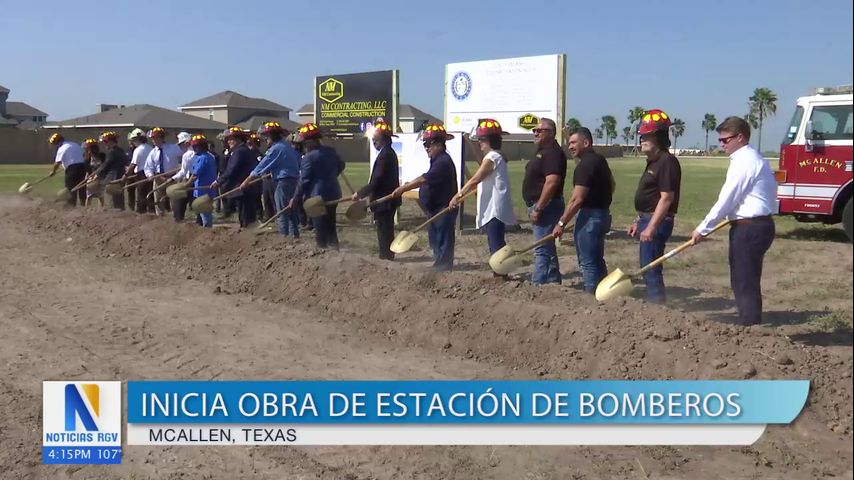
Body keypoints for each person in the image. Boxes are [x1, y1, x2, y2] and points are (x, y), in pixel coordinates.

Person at [691, 117, 777, 325]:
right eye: (720, 140)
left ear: (740, 137)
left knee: (744, 278)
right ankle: (747, 318)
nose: (722, 144)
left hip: (751, 227)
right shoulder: (746, 159)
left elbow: (727, 199)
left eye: (725, 140)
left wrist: (703, 229)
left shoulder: (746, 161)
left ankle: (749, 324)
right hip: (748, 226)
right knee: (741, 277)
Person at [628, 109, 682, 304]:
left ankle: (657, 305)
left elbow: (666, 198)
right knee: (648, 264)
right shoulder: (653, 161)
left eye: (647, 135)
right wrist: (639, 220)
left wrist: (650, 226)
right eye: (641, 136)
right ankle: (656, 303)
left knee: (650, 266)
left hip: (656, 221)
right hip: (647, 218)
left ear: (659, 137)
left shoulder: (666, 162)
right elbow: (651, 195)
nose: (642, 139)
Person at [552, 127, 614, 293]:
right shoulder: (600, 160)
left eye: (573, 142)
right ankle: (605, 293)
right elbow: (612, 184)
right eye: (569, 143)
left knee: (587, 262)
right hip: (602, 214)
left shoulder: (585, 165)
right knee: (597, 259)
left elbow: (576, 199)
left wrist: (561, 223)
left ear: (586, 142)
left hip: (590, 218)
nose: (570, 146)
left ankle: (591, 295)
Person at [392, 124, 458, 271]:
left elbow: (424, 179)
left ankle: (444, 265)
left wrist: (404, 188)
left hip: (443, 207)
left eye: (428, 144)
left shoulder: (443, 161)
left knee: (443, 237)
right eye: (424, 145)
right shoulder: (436, 160)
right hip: (434, 208)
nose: (426, 148)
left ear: (439, 144)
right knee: (435, 238)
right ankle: (438, 262)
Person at [452, 119, 517, 261]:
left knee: (495, 244)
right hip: (493, 207)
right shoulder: (495, 156)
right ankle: (502, 269)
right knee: (496, 241)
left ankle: (500, 272)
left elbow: (476, 178)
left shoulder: (493, 157)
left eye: (482, 139)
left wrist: (458, 195)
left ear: (491, 140)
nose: (479, 142)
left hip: (494, 209)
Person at [522, 118, 567, 284]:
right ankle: (553, 281)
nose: (535, 133)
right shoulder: (543, 151)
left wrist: (539, 208)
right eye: (534, 130)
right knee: (547, 246)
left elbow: (552, 181)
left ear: (550, 132)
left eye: (539, 130)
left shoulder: (553, 152)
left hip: (547, 206)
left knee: (541, 249)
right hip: (540, 205)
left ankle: (537, 285)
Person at [290, 123, 345, 249]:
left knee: (320, 229)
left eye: (304, 144)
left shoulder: (309, 157)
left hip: (317, 198)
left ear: (312, 142)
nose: (303, 147)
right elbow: (341, 165)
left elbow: (303, 180)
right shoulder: (331, 151)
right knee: (331, 227)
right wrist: (330, 176)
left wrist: (295, 198)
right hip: (333, 193)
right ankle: (335, 251)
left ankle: (323, 253)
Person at [242, 122, 301, 236]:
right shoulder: (288, 146)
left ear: (273, 135)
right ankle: (294, 236)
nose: (265, 139)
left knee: (282, 212)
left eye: (266, 136)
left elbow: (262, 165)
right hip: (293, 181)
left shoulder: (276, 149)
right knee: (291, 210)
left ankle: (284, 238)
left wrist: (246, 181)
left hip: (283, 182)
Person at [353, 119, 402, 260]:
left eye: (376, 140)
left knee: (384, 231)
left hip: (385, 201)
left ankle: (386, 257)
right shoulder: (387, 153)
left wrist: (360, 193)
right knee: (385, 230)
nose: (374, 143)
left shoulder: (385, 155)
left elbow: (377, 180)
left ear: (385, 139)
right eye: (373, 140)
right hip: (385, 200)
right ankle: (387, 255)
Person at [212, 127, 258, 227]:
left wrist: (218, 181)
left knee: (245, 217)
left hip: (243, 188)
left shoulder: (240, 152)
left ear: (239, 139)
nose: (229, 142)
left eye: (231, 139)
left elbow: (231, 170)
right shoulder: (243, 150)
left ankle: (248, 235)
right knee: (246, 216)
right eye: (228, 139)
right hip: (245, 188)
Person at [143, 127, 183, 216]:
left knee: (174, 202)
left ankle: (175, 219)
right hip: (158, 179)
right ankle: (160, 220)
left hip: (172, 178)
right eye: (152, 138)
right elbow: (148, 167)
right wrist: (150, 175)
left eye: (155, 138)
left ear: (161, 138)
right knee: (158, 202)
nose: (153, 140)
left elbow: (183, 159)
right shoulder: (153, 152)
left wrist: (180, 170)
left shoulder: (174, 148)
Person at [186, 134, 218, 228]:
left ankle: (208, 232)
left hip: (203, 191)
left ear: (201, 147)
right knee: (203, 213)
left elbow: (195, 175)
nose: (194, 148)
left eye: (195, 146)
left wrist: (186, 185)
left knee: (205, 214)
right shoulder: (209, 157)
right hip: (205, 190)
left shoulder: (203, 158)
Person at [47, 133, 86, 206]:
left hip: (72, 169)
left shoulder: (62, 148)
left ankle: (71, 207)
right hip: (82, 167)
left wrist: (52, 171)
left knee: (70, 189)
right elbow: (83, 154)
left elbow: (57, 163)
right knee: (82, 188)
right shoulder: (74, 144)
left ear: (56, 142)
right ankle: (84, 206)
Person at [93, 131, 128, 210]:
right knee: (119, 201)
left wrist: (96, 175)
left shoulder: (112, 153)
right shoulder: (121, 151)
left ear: (111, 141)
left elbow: (105, 166)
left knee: (112, 202)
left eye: (105, 142)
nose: (104, 145)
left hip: (112, 180)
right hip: (120, 179)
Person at [125, 128, 153, 213]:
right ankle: (152, 212)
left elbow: (133, 164)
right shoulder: (150, 148)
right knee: (150, 194)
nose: (133, 142)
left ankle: (141, 213)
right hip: (151, 173)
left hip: (141, 174)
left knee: (141, 195)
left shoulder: (138, 150)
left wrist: (125, 176)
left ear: (137, 139)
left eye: (133, 140)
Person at [169, 132, 195, 222]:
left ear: (186, 143)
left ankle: (178, 220)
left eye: (181, 144)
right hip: (198, 179)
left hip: (190, 180)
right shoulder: (199, 152)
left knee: (180, 199)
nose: (180, 147)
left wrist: (172, 178)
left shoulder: (187, 155)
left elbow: (183, 172)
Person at [81, 138, 104, 207]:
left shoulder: (102, 156)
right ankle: (87, 209)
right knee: (89, 196)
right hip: (91, 179)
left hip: (100, 178)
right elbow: (88, 170)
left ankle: (101, 209)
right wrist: (86, 179)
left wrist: (98, 176)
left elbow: (104, 167)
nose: (88, 152)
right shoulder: (87, 160)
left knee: (100, 195)